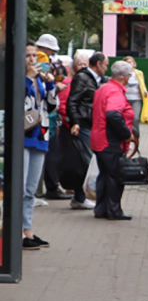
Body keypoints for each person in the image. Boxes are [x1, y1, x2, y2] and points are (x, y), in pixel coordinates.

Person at [22, 43, 58, 250]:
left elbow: (52, 106)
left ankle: (28, 230)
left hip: (40, 134)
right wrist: (28, 77)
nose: (32, 59)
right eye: (28, 55)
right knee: (19, 185)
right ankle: (16, 231)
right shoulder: (21, 78)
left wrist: (50, 84)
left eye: (35, 55)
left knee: (30, 189)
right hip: (23, 135)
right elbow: (18, 100)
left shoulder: (40, 81)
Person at [91, 59, 136, 221]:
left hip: (98, 138)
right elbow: (113, 114)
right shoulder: (115, 92)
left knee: (104, 174)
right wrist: (126, 134)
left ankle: (101, 208)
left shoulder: (103, 89)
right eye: (130, 75)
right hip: (109, 140)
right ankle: (114, 211)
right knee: (115, 176)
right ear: (124, 76)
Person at [66, 51, 108, 210]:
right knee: (86, 161)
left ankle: (82, 196)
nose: (106, 68)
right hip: (83, 124)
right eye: (105, 65)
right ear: (98, 64)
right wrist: (75, 122)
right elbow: (72, 101)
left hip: (92, 125)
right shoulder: (83, 78)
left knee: (89, 161)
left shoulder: (97, 80)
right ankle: (80, 197)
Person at [34, 34, 70, 200]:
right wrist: (56, 87)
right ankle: (51, 187)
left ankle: (44, 187)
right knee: (51, 151)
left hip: (41, 113)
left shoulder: (36, 58)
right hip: (45, 114)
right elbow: (44, 87)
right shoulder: (41, 59)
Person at [121, 56, 148, 137]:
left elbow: (142, 84)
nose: (128, 64)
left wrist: (145, 91)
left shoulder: (139, 73)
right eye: (126, 62)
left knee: (135, 118)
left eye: (130, 62)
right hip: (125, 99)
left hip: (136, 98)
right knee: (124, 118)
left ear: (134, 64)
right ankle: (125, 136)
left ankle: (136, 136)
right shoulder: (122, 73)